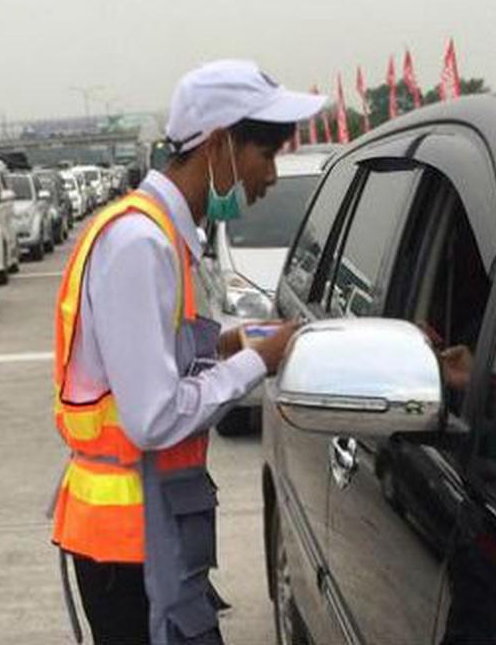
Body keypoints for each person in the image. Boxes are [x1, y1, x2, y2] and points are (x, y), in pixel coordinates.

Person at [49, 60, 326, 644]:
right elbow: (152, 416)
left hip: (150, 530)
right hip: (128, 544)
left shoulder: (166, 237)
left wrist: (235, 340)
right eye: (266, 154)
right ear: (220, 144)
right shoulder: (139, 244)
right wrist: (258, 361)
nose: (271, 176)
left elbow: (161, 352)